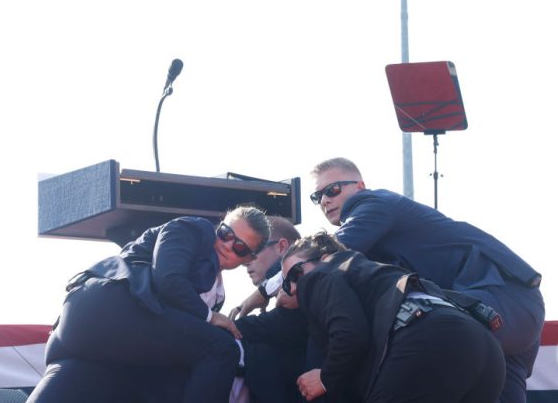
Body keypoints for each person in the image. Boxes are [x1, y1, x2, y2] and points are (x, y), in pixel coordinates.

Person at [236, 157, 544, 403]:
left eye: (333, 190)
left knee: (435, 336)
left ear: (360, 185)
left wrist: (267, 288)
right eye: (318, 196)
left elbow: (326, 253)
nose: (325, 201)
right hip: (511, 320)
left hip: (499, 297)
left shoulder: (373, 203)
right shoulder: (376, 238)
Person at [27, 206, 271, 403]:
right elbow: (168, 279)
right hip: (111, 307)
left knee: (86, 377)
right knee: (222, 348)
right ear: (219, 226)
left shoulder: (218, 291)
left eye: (239, 247)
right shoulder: (194, 228)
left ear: (248, 258)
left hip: (88, 341)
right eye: (226, 233)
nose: (227, 245)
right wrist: (210, 316)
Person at [280, 231, 505, 402]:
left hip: (429, 341)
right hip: (486, 348)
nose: (291, 288)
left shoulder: (321, 274)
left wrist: (325, 378)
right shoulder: (375, 275)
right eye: (285, 283)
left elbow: (350, 335)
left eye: (295, 274)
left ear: (326, 257)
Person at [228, 216, 309, 403]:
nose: (245, 260)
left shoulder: (307, 287)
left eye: (253, 250)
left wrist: (223, 324)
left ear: (281, 247)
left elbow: (276, 324)